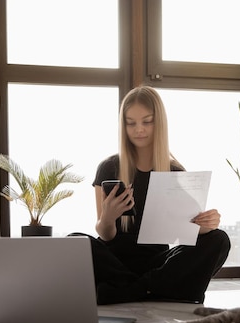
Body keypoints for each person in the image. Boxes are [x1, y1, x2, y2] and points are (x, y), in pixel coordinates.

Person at [77, 85, 230, 305]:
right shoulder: (108, 168)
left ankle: (128, 290)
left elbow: (183, 230)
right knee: (76, 240)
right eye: (131, 123)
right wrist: (108, 218)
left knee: (219, 240)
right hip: (113, 261)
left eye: (146, 121)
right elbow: (105, 234)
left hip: (157, 262)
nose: (138, 129)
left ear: (159, 122)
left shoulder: (175, 172)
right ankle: (153, 289)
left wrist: (206, 225)